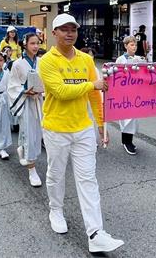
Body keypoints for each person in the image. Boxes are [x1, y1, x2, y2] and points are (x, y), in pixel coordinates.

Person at [39, 13, 124, 253]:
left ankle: (96, 233)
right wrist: (91, 84)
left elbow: (95, 96)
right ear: (53, 33)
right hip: (56, 129)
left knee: (88, 179)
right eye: (64, 29)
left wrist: (101, 124)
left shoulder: (86, 60)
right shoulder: (47, 61)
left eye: (73, 29)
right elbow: (60, 91)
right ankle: (56, 210)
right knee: (56, 174)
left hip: (83, 129)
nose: (69, 33)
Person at [8, 33, 44, 187]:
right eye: (32, 43)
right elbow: (12, 85)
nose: (35, 46)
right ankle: (31, 169)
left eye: (37, 43)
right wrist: (24, 91)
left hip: (41, 101)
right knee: (28, 132)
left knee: (39, 133)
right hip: (25, 102)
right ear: (25, 45)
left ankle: (23, 148)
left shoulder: (42, 62)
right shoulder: (17, 64)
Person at [116, 36, 145, 155]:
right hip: (124, 93)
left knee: (133, 118)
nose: (134, 47)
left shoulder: (139, 59)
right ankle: (126, 142)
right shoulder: (120, 60)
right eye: (132, 45)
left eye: (135, 45)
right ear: (126, 46)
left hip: (135, 92)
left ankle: (129, 140)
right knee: (126, 118)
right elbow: (116, 76)